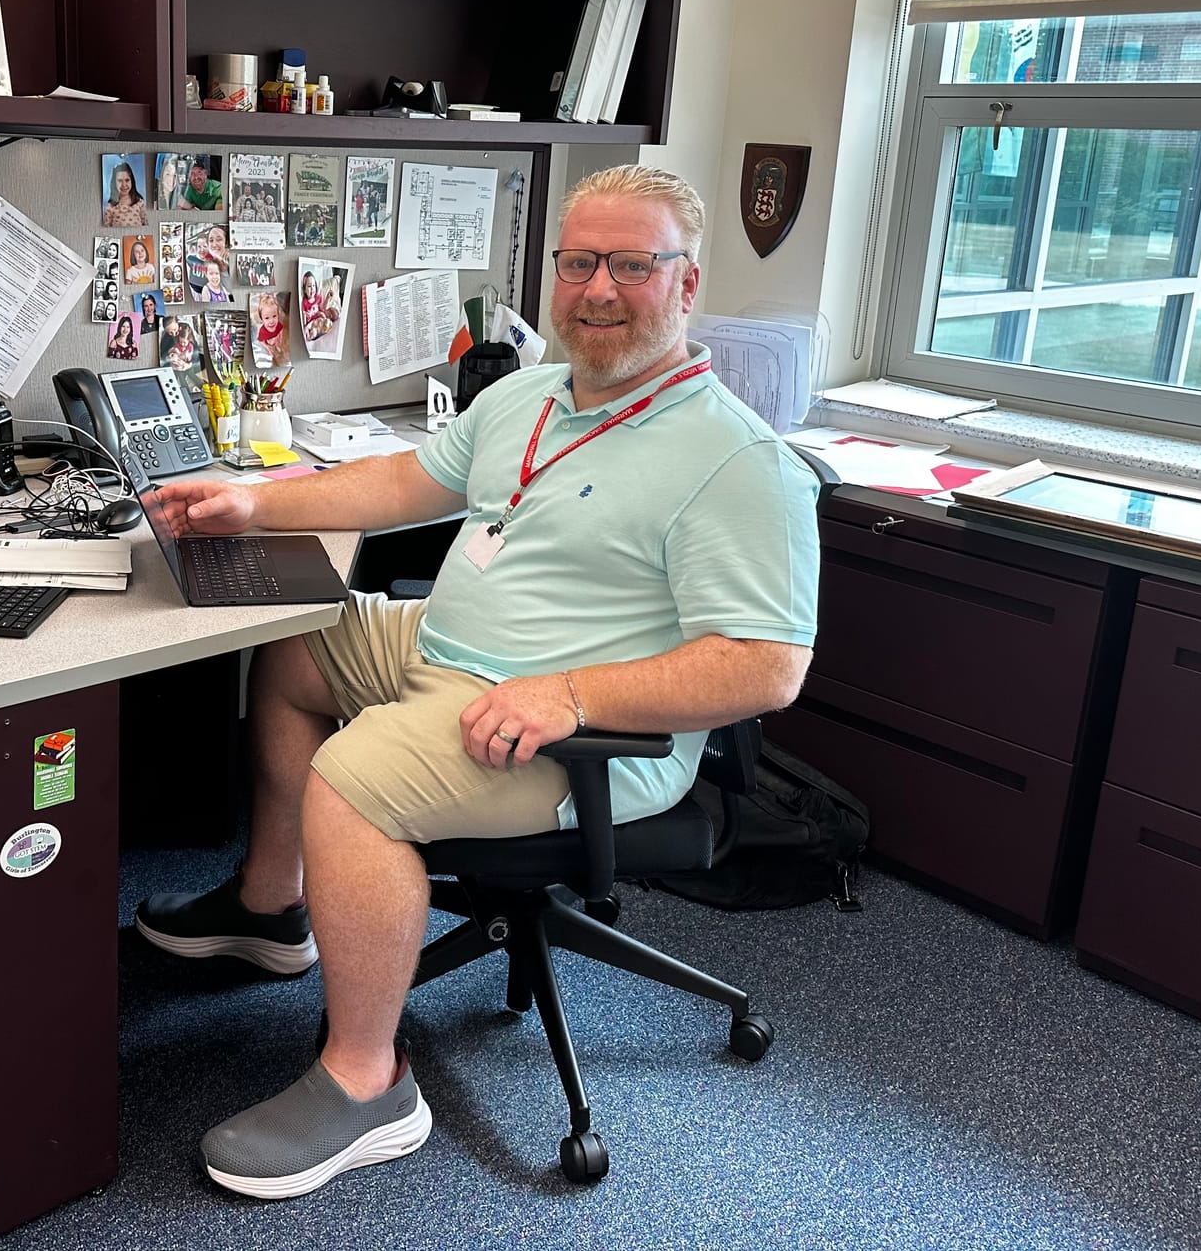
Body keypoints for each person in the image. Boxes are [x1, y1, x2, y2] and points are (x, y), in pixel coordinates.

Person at [135, 164, 820, 1199]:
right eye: (580, 261)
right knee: (293, 651)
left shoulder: (734, 460)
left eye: (632, 265)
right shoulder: (532, 395)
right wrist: (252, 503)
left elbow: (766, 667)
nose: (597, 288)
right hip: (451, 651)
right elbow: (404, 482)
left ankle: (368, 1083)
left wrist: (572, 696)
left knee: (355, 780)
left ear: (685, 286)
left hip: (580, 728)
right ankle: (273, 909)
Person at [104, 160, 149, 227]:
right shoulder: (110, 207)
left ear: (132, 181)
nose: (124, 185)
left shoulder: (139, 203)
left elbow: (146, 227)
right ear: (114, 183)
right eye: (120, 181)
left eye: (127, 180)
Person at [252, 290, 288, 365]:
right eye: (267, 318)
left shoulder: (279, 325)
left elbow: (281, 331)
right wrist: (268, 348)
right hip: (269, 342)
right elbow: (261, 341)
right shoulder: (262, 331)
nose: (271, 321)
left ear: (278, 315)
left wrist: (279, 339)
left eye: (274, 316)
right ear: (262, 319)